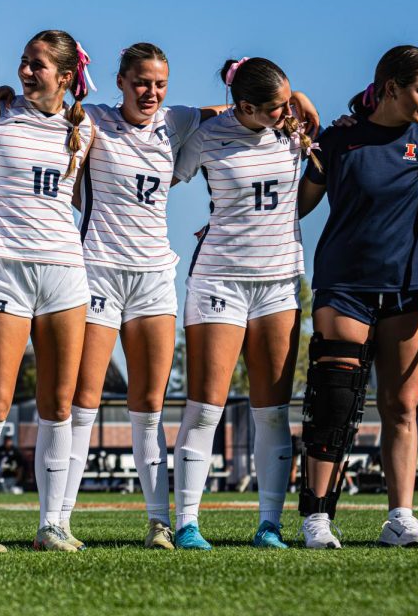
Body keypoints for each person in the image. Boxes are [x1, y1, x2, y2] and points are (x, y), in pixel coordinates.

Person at [295, 45, 418, 549]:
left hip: (408, 291)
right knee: (334, 401)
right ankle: (317, 517)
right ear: (391, 88)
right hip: (343, 286)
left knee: (400, 405)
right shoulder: (340, 140)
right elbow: (296, 205)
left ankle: (399, 517)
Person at [170, 57, 318, 550]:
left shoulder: (294, 130)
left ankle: (269, 526)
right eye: (277, 106)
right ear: (247, 106)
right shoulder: (208, 137)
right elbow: (161, 178)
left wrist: (298, 104)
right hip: (219, 279)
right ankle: (187, 524)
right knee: (204, 408)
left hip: (278, 283)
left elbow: (308, 130)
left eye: (289, 101)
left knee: (272, 411)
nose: (288, 110)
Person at [0, 29, 94, 552]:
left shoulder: (86, 127)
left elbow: (156, 113)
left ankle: (52, 525)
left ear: (65, 76)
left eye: (37, 65)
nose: (24, 72)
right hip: (4, 268)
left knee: (58, 404)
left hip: (65, 271)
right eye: (23, 62)